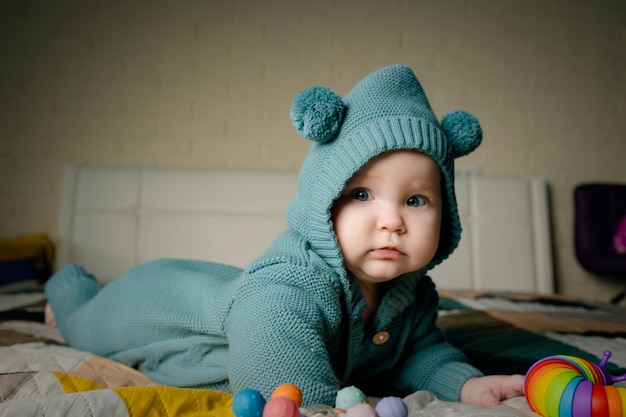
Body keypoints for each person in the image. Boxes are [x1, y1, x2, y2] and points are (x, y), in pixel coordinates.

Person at [45, 64, 524, 408]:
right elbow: (278, 368)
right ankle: (67, 288)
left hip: (215, 296)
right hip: (153, 303)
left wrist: (464, 385)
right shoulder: (289, 287)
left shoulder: (413, 294)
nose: (392, 221)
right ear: (324, 204)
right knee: (84, 322)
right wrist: (316, 406)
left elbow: (418, 355)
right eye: (361, 195)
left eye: (415, 201)